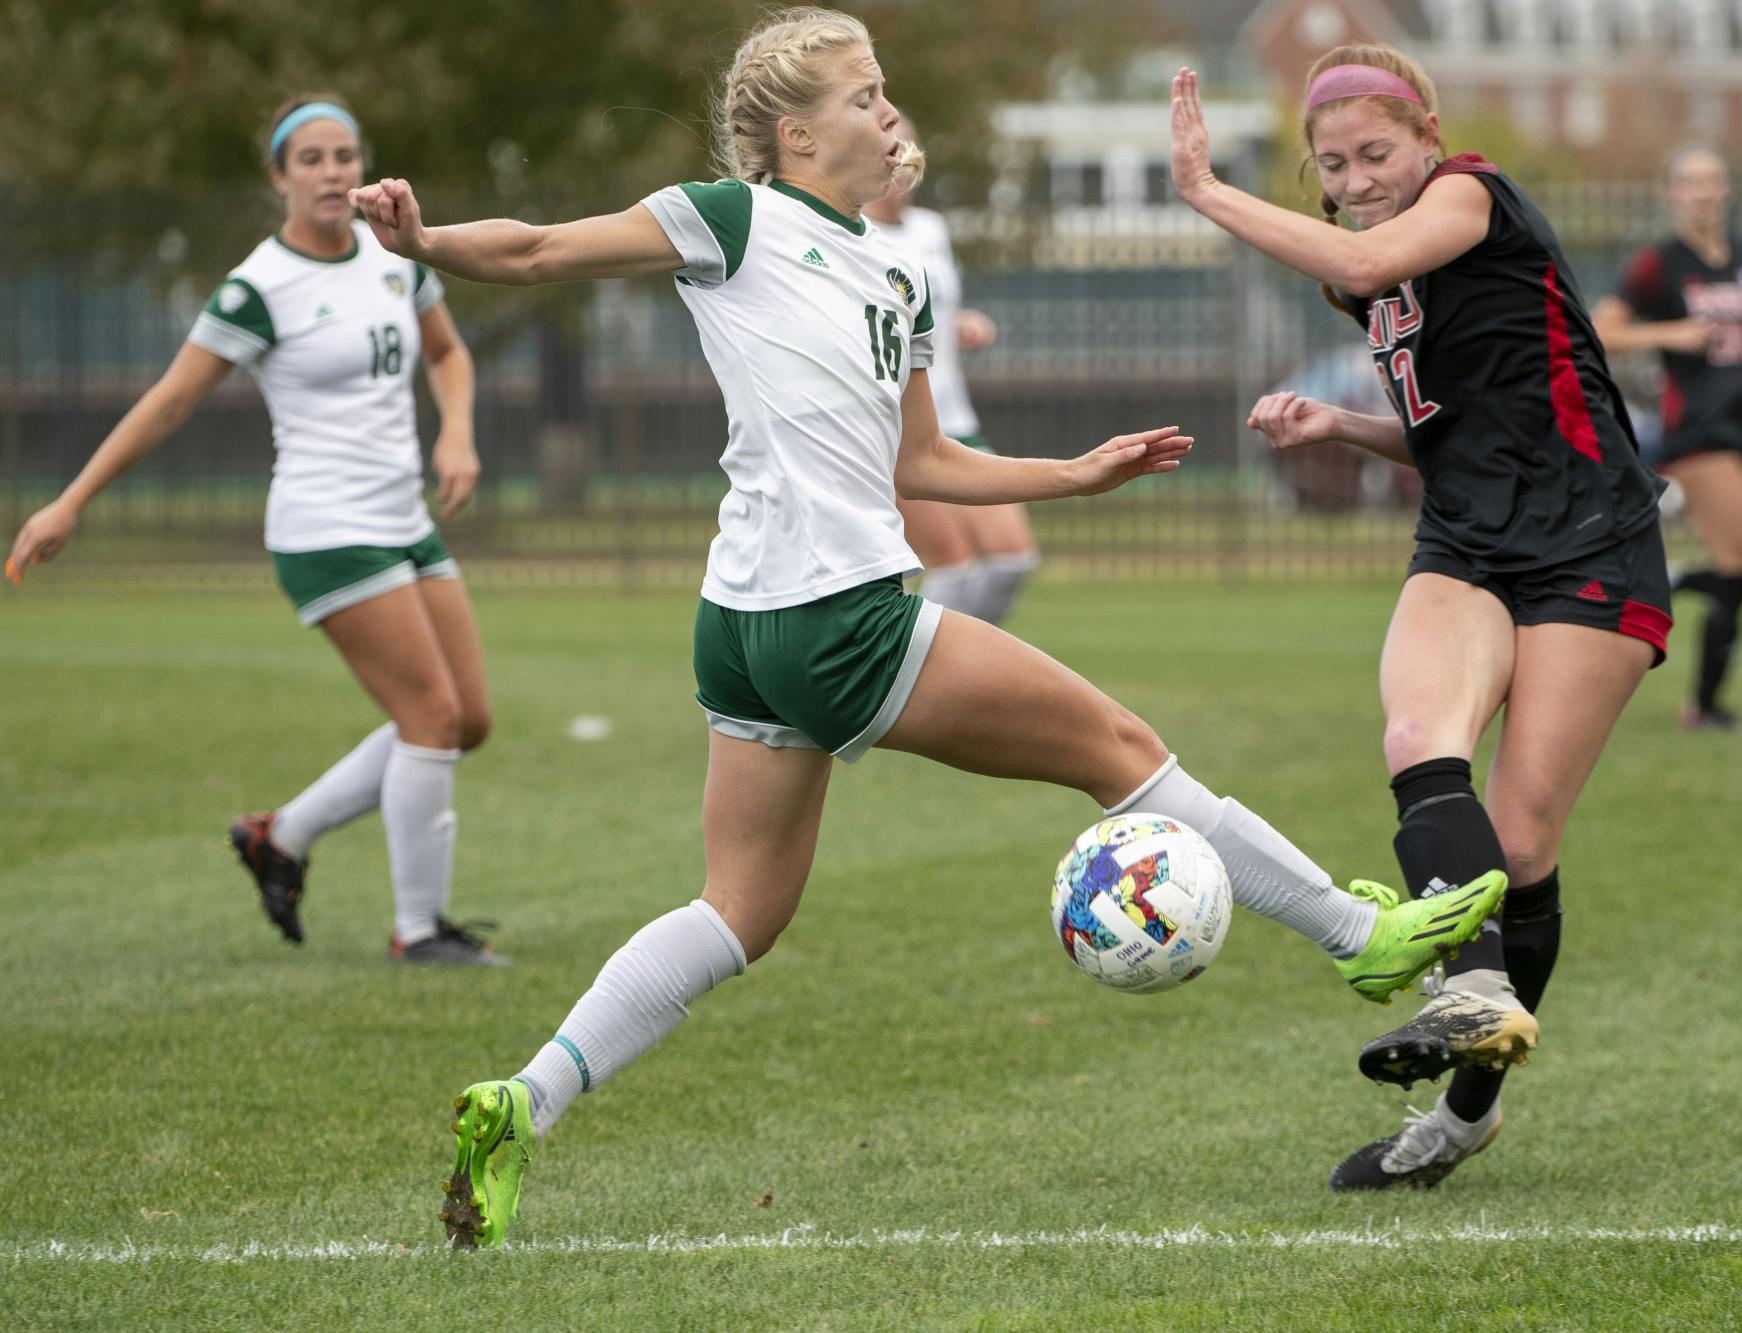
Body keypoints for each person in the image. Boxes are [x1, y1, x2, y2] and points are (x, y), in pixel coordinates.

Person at [347, 7, 1508, 1248]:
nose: (887, 111)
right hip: (830, 617)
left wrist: (1072, 474)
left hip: (742, 628)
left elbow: (921, 459)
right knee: (1120, 748)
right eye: (861, 96)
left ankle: (523, 1099)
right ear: (793, 134)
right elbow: (532, 249)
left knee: (739, 910)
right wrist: (429, 242)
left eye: (884, 90)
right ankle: (1360, 937)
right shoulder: (733, 219)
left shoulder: (892, 271)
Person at [1171, 46, 1672, 1190]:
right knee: (1415, 739)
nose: (1354, 179)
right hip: (1465, 537)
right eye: (1332, 165)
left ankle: (1461, 1113)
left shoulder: (1467, 197)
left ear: (1428, 137)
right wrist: (1341, 428)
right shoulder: (1363, 281)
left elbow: (1363, 250)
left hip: (1590, 536)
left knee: (1525, 843)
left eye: (1374, 153)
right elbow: (1456, 426)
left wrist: (1204, 190)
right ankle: (1473, 989)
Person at [6, 96, 503, 966]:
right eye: (309, 158)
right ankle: (419, 931)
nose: (332, 171)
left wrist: (456, 429)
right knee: (430, 714)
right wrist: (71, 499)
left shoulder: (394, 254)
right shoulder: (258, 286)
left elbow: (449, 353)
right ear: (278, 176)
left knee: (469, 720)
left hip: (402, 518)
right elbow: (171, 401)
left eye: (345, 154)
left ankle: (281, 836)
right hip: (326, 527)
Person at [1592, 147, 1742, 732]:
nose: (1701, 192)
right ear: (1673, 194)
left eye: (1711, 181)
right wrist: (1673, 333)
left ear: (1726, 191)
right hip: (1695, 434)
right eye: (1689, 183)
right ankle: (1708, 708)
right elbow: (1602, 331)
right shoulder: (1658, 264)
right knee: (1741, 566)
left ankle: (1674, 585)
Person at [862, 125, 1039, 624]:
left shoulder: (930, 229)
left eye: (909, 152)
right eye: (892, 152)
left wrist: (960, 323)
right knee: (952, 568)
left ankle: (961, 674)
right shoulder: (853, 233)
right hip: (902, 428)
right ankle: (917, 685)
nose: (902, 164)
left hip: (957, 418)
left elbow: (926, 308)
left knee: (1011, 560)